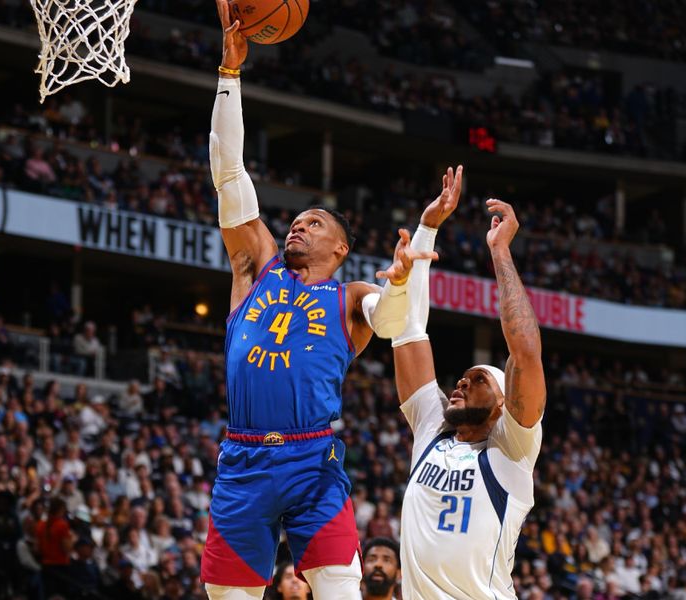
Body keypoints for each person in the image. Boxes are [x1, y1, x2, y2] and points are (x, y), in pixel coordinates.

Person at [201, 1, 436, 598]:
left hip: (312, 461)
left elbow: (386, 323)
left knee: (339, 584)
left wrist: (402, 281)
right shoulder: (257, 265)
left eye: (313, 223)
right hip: (243, 457)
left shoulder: (349, 292)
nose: (297, 227)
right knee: (228, 596)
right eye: (296, 222)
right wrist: (230, 78)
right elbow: (230, 174)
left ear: (341, 247)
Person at [391, 175, 546, 599]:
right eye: (463, 376)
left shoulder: (512, 450)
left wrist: (500, 252)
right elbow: (408, 332)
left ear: (501, 405)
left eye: (478, 380)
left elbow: (526, 352)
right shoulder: (431, 430)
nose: (462, 381)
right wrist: (427, 230)